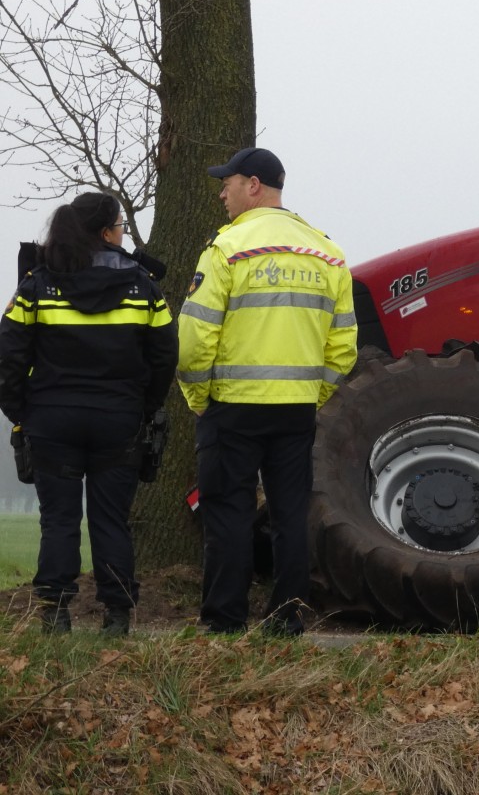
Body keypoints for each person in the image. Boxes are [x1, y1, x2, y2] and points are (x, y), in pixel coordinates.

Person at [177, 148, 356, 635]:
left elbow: (193, 339)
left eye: (227, 184)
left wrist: (198, 398)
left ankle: (224, 621)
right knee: (291, 516)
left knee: (228, 514)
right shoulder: (327, 253)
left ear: (253, 185)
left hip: (231, 408)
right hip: (296, 411)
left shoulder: (227, 248)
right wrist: (314, 395)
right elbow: (343, 346)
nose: (222, 194)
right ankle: (286, 619)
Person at [0, 192, 177, 635]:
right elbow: (165, 355)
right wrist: (145, 407)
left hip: (51, 420)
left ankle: (55, 614)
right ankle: (117, 617)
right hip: (118, 421)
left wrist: (22, 411)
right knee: (111, 519)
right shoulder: (142, 286)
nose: (123, 233)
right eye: (121, 226)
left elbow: (8, 358)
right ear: (106, 232)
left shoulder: (37, 285)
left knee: (58, 520)